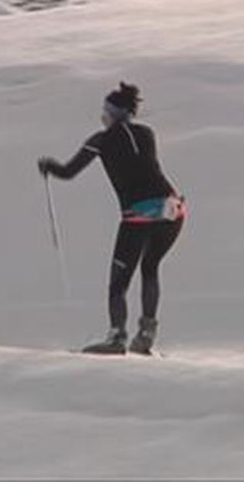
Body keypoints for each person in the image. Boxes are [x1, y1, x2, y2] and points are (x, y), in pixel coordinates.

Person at [38, 82, 186, 355]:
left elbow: (68, 171)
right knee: (150, 268)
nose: (102, 116)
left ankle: (117, 337)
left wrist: (48, 166)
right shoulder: (147, 133)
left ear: (114, 113)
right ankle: (146, 335)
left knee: (119, 283)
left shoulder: (100, 141)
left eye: (105, 111)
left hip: (138, 215)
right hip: (172, 210)